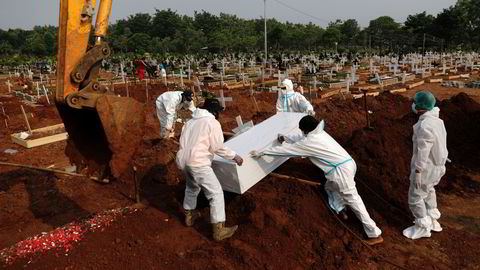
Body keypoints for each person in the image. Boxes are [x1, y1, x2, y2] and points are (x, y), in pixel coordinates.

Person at [250, 115, 383, 245]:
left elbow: (287, 150)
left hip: (341, 172)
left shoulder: (310, 142)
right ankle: (341, 207)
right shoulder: (319, 134)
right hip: (348, 164)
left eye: (302, 130)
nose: (302, 133)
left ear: (306, 130)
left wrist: (263, 152)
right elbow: (300, 138)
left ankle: (373, 233)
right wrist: (285, 137)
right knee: (330, 187)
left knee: (354, 200)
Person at [176, 98, 244, 241]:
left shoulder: (190, 122)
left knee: (192, 187)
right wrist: (234, 156)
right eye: (218, 111)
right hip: (198, 162)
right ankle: (219, 230)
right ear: (214, 111)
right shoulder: (211, 122)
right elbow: (217, 147)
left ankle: (189, 216)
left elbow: (184, 141)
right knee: (216, 193)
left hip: (184, 161)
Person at [403, 91, 448, 240]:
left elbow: (423, 150)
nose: (413, 104)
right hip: (438, 166)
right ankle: (433, 220)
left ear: (420, 106)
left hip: (426, 168)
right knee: (429, 190)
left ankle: (422, 228)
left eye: (415, 102)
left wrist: (417, 171)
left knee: (415, 197)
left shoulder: (424, 126)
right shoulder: (437, 121)